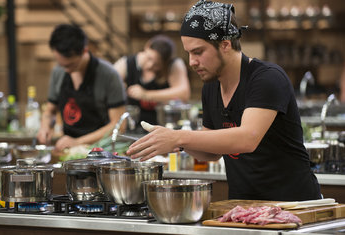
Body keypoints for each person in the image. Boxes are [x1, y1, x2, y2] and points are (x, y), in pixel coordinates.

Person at [127, 0, 322, 201]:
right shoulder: (211, 87)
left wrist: (178, 137)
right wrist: (171, 141)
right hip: (244, 207)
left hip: (295, 206)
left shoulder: (267, 78)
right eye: (188, 53)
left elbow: (247, 138)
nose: (192, 62)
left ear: (225, 45)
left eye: (198, 52)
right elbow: (210, 153)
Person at [37, 24, 126, 151]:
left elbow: (119, 125)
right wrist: (45, 126)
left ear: (85, 50)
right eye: (62, 65)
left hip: (101, 151)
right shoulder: (58, 71)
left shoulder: (109, 75)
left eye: (70, 65)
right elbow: (50, 111)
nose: (66, 70)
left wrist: (77, 142)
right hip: (69, 150)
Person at [114, 35, 190, 126]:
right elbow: (108, 86)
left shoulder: (174, 65)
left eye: (157, 64)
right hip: (133, 124)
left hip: (163, 124)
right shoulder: (126, 63)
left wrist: (146, 94)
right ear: (147, 47)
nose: (150, 66)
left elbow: (184, 93)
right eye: (149, 58)